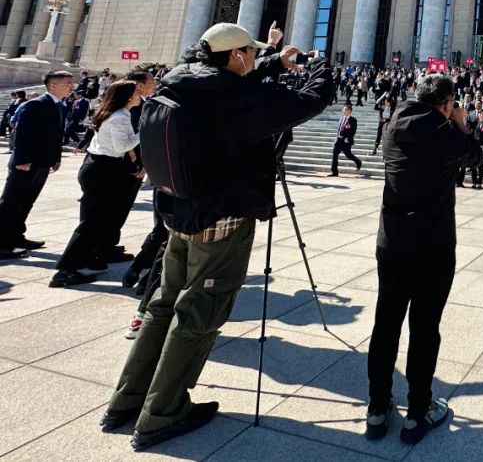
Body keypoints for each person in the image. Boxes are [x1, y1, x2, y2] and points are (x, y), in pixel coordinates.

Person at [100, 23, 332, 450]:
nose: (251, 57)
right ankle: (162, 414)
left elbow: (226, 85)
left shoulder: (179, 82)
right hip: (220, 218)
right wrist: (321, 67)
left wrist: (272, 63)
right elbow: (311, 101)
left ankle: (126, 402)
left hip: (178, 214)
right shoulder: (236, 98)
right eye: (249, 51)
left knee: (162, 306)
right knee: (199, 312)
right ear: (237, 55)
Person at [366, 73, 481, 444]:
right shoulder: (443, 130)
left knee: (386, 325)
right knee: (424, 329)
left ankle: (377, 409)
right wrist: (461, 122)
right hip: (432, 245)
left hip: (392, 242)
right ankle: (418, 412)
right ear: (446, 103)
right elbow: (474, 156)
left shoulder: (393, 123)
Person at [50, 81, 144, 287]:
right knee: (92, 222)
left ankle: (91, 257)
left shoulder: (117, 114)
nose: (140, 94)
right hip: (103, 170)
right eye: (137, 92)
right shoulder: (119, 117)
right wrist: (144, 132)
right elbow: (121, 146)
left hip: (99, 168)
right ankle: (65, 271)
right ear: (128, 96)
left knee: (98, 220)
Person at [0, 70, 75, 259]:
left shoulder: (58, 105)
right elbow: (23, 134)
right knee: (11, 202)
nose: (72, 87)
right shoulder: (36, 104)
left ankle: (16, 236)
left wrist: (56, 158)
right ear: (52, 86)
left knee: (26, 201)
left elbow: (54, 135)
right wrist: (22, 160)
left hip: (42, 163)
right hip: (26, 163)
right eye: (67, 83)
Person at [330, 105, 363, 176]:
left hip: (346, 141)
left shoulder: (353, 120)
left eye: (345, 110)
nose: (343, 111)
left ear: (349, 111)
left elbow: (353, 131)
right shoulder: (341, 118)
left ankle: (358, 162)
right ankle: (334, 172)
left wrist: (348, 138)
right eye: (343, 110)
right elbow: (339, 129)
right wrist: (336, 138)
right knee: (335, 154)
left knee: (348, 155)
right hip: (338, 140)